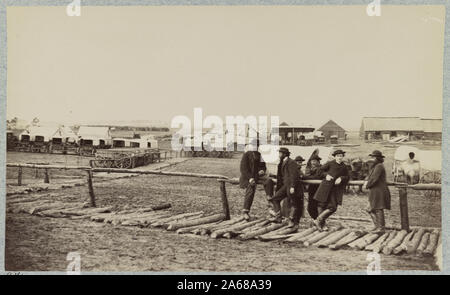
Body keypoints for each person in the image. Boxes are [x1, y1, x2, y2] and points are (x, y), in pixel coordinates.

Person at [267, 147, 304, 229]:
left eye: (280, 153)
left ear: (284, 154)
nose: (279, 155)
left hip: (291, 186)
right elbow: (281, 176)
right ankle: (278, 217)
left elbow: (294, 175)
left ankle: (291, 220)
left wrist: (292, 187)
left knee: (294, 204)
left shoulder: (291, 162)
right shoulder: (282, 162)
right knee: (275, 199)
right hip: (285, 186)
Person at [313, 149, 349, 231]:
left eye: (341, 156)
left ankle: (318, 220)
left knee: (333, 207)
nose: (339, 157)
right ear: (335, 157)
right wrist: (326, 175)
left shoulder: (344, 166)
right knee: (321, 205)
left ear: (343, 157)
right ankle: (322, 225)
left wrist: (341, 178)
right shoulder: (330, 164)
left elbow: (347, 176)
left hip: (335, 190)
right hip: (325, 187)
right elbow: (319, 171)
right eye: (338, 156)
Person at [363, 150, 391, 233]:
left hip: (379, 190)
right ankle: (377, 226)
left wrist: (366, 185)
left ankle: (381, 228)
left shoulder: (379, 166)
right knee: (369, 209)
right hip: (375, 190)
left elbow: (374, 179)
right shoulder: (375, 166)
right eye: (371, 157)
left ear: (377, 158)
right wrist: (366, 180)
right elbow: (369, 176)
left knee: (378, 208)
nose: (371, 159)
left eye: (373, 157)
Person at [239, 141, 267, 221]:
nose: (255, 147)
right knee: (250, 190)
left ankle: (271, 208)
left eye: (257, 145)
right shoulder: (246, 154)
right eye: (253, 145)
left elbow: (263, 166)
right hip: (247, 178)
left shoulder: (259, 155)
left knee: (268, 183)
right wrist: (250, 178)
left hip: (256, 177)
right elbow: (243, 169)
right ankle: (245, 211)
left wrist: (262, 170)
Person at [303, 154, 322, 221]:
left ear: (318, 162)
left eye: (314, 161)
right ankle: (316, 220)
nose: (312, 163)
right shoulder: (311, 169)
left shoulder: (321, 168)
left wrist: (305, 177)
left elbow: (316, 177)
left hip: (318, 190)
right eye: (312, 161)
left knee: (317, 206)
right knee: (310, 207)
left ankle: (318, 220)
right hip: (312, 190)